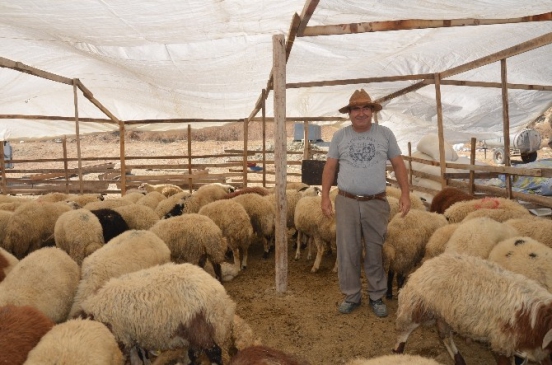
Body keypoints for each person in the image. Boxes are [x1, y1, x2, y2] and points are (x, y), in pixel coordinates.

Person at [321, 89, 410, 317]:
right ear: (349, 113)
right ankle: (351, 295)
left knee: (374, 249)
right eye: (356, 109)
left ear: (371, 111)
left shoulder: (385, 134)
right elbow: (330, 167)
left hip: (376, 202)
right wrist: (324, 197)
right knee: (347, 250)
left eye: (365, 108)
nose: (361, 113)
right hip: (346, 201)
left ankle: (376, 295)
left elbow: (399, 165)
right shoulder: (340, 137)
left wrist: (405, 194)